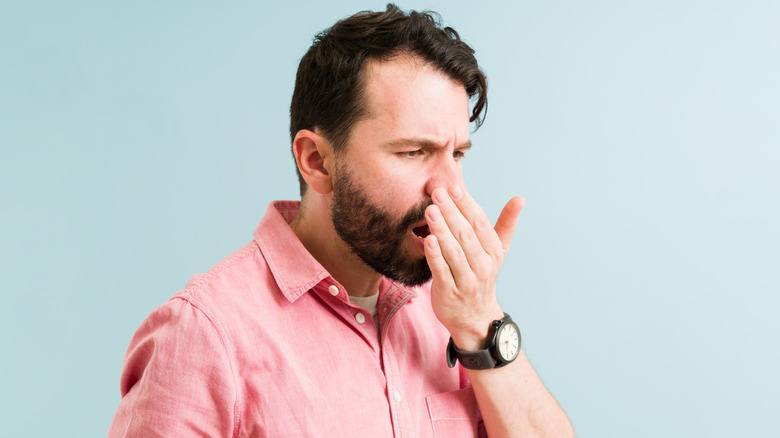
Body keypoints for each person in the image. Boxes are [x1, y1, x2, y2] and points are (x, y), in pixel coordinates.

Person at [109, 4, 573, 437]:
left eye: (457, 154)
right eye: (414, 152)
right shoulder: (204, 335)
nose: (451, 190)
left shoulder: (452, 311)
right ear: (317, 161)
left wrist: (481, 322)